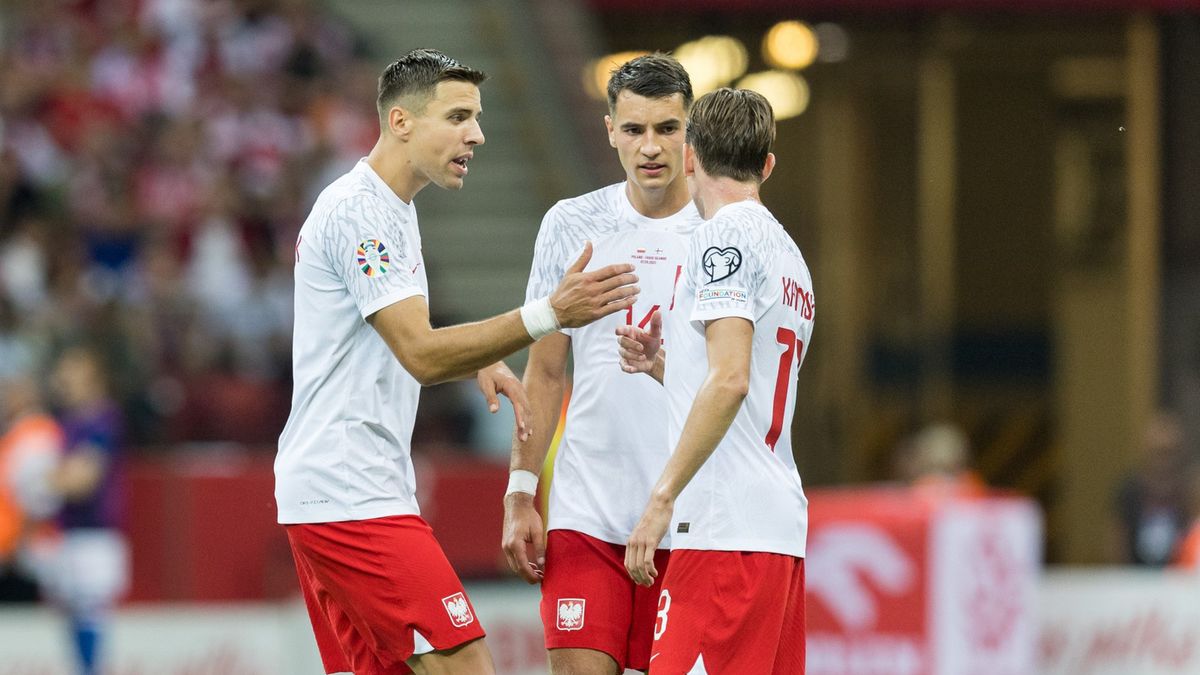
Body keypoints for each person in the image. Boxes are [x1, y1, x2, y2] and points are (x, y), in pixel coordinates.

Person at [275, 48, 640, 675]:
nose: (477, 133)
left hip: (340, 490)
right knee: (466, 663)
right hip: (351, 493)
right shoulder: (361, 214)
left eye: (476, 117)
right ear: (401, 122)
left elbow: (395, 332)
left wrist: (473, 354)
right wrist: (549, 314)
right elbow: (418, 353)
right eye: (458, 116)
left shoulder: (393, 208)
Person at [501, 54, 701, 675]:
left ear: (689, 131)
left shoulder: (724, 234)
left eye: (667, 128)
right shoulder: (570, 225)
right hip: (588, 517)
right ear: (610, 128)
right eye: (635, 129)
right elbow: (546, 370)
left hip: (689, 522)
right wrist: (520, 492)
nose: (650, 147)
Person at [617, 87, 813, 674]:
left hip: (724, 529)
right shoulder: (791, 255)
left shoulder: (720, 239)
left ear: (690, 156)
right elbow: (744, 374)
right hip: (776, 530)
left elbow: (730, 381)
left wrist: (661, 498)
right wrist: (665, 366)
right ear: (768, 165)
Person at [36, 346, 129, 675]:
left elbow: (83, 479)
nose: (63, 380)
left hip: (96, 536)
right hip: (68, 534)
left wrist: (40, 480)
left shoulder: (102, 419)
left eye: (72, 371)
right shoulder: (64, 422)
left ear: (93, 377)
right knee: (71, 621)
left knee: (92, 617)